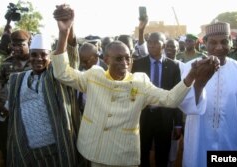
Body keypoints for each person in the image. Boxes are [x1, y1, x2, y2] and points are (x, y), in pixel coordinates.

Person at [51, 5, 219, 167]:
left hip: (122, 155)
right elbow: (62, 73)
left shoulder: (140, 82)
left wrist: (191, 76)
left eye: (128, 58)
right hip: (93, 149)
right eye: (118, 58)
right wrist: (64, 32)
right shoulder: (94, 75)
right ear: (106, 59)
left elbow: (171, 100)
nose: (125, 63)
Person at [6, 5, 82, 166]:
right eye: (34, 55)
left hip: (58, 147)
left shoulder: (57, 75)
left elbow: (68, 57)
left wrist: (66, 31)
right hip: (29, 150)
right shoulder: (18, 79)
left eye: (43, 55)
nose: (38, 58)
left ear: (51, 57)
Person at [182, 22, 237, 167]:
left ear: (231, 42)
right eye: (213, 42)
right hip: (198, 142)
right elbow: (186, 106)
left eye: (224, 42)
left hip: (229, 142)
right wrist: (199, 82)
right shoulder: (190, 67)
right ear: (204, 43)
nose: (219, 47)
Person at [131, 33, 183, 167]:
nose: (151, 45)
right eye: (149, 42)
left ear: (164, 45)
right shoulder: (138, 64)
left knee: (162, 154)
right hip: (143, 116)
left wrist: (178, 123)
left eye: (155, 42)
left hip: (164, 117)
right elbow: (132, 90)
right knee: (142, 153)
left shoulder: (173, 66)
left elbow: (176, 95)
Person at [0, 29, 32, 167]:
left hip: (30, 114)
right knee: (6, 145)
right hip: (8, 114)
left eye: (21, 44)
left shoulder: (37, 61)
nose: (16, 48)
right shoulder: (6, 64)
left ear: (29, 43)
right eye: (14, 44)